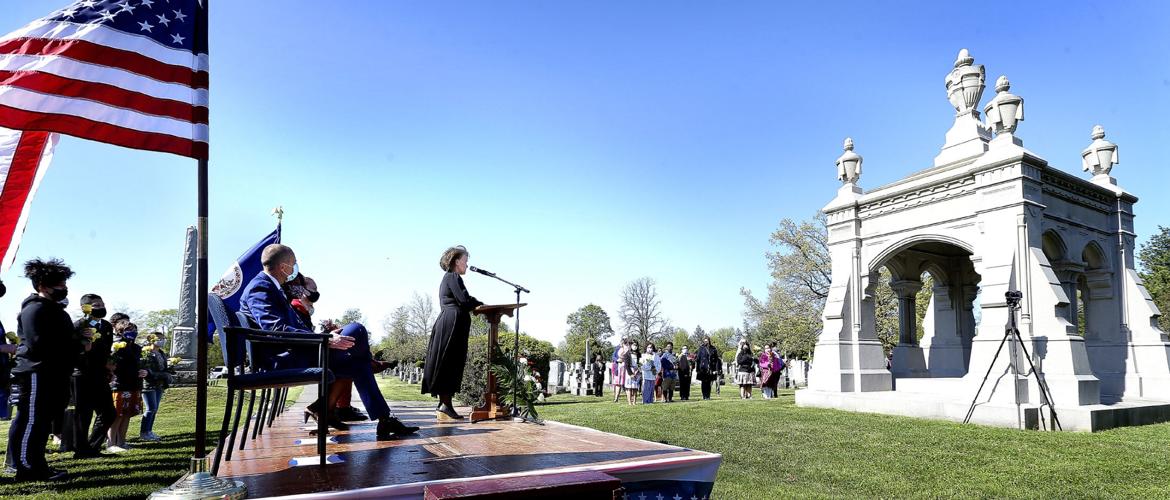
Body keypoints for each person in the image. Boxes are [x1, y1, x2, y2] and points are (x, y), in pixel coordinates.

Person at [241, 244, 417, 439]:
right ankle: (344, 401)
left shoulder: (271, 286)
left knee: (358, 364)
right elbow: (275, 330)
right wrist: (325, 340)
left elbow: (287, 328)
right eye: (293, 264)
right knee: (357, 329)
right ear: (284, 267)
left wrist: (327, 335)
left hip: (298, 351)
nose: (295, 268)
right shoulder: (260, 287)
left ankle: (384, 420)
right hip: (282, 359)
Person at [7, 258, 77, 481]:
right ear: (43, 286)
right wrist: (74, 346)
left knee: (41, 422)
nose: (63, 288)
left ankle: (36, 463)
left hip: (51, 373)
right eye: (59, 284)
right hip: (36, 372)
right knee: (32, 420)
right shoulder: (35, 309)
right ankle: (28, 468)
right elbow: (39, 344)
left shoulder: (52, 309)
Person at [284, 273, 368, 422]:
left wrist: (327, 334)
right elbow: (292, 334)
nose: (316, 293)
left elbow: (305, 333)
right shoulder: (296, 306)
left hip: (309, 349)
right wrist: (327, 338)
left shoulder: (302, 308)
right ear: (301, 289)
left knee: (350, 355)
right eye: (313, 289)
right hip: (302, 356)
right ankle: (332, 408)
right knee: (352, 351)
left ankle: (324, 408)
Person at [422, 246, 485, 420]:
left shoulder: (450, 278)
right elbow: (464, 300)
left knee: (450, 363)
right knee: (449, 363)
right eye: (465, 260)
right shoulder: (452, 277)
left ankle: (445, 404)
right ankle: (445, 405)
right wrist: (480, 303)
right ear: (457, 261)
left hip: (452, 322)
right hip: (452, 324)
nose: (467, 264)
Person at [69, 293, 116, 458]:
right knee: (84, 413)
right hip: (81, 375)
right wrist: (84, 348)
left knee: (109, 412)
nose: (101, 307)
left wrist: (109, 367)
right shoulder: (78, 326)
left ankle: (92, 446)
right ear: (86, 308)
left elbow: (107, 349)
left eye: (102, 304)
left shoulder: (107, 326)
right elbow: (70, 353)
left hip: (100, 374)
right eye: (96, 305)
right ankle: (81, 450)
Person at [106, 319, 146, 452]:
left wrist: (144, 371)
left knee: (127, 414)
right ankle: (112, 443)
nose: (132, 332)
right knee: (118, 415)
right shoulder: (116, 346)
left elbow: (140, 363)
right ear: (120, 331)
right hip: (119, 384)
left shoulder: (136, 348)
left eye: (134, 330)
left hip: (133, 384)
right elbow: (113, 365)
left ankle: (122, 441)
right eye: (129, 330)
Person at [139, 332, 174, 441]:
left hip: (159, 384)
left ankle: (149, 431)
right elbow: (147, 369)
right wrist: (161, 374)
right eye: (159, 338)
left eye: (163, 338)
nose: (162, 340)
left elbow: (163, 368)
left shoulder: (162, 353)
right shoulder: (146, 352)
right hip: (148, 384)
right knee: (151, 408)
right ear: (151, 339)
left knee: (154, 409)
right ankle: (144, 432)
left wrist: (170, 371)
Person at [611, 338, 628, 403]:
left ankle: (629, 398)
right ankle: (616, 398)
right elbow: (613, 356)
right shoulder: (617, 348)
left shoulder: (627, 349)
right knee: (618, 383)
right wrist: (617, 360)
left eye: (624, 343)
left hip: (625, 367)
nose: (622, 344)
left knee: (626, 383)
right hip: (618, 367)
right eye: (621, 342)